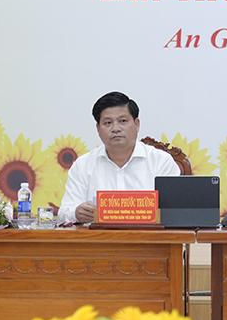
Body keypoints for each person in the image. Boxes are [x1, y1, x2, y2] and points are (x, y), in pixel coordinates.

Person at [59, 92, 180, 224]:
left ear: (137, 124)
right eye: (108, 123)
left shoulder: (161, 162)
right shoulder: (83, 165)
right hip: (98, 236)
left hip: (149, 236)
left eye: (122, 121)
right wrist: (76, 213)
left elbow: (174, 212)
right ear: (98, 129)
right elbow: (64, 212)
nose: (115, 128)